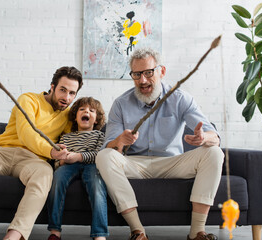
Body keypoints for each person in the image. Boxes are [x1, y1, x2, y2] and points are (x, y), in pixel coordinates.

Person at [95, 48, 224, 240]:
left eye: (148, 72)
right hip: (135, 164)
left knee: (215, 152)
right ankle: (138, 231)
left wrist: (204, 138)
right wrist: (119, 141)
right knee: (104, 156)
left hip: (172, 163)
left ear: (161, 72)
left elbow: (215, 136)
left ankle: (197, 232)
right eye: (137, 75)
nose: (143, 80)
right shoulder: (121, 104)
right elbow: (110, 148)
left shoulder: (180, 98)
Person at [0, 66, 83, 240]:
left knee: (45, 173)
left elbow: (69, 141)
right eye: (63, 90)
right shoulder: (28, 99)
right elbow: (26, 133)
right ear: (52, 87)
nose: (66, 98)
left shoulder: (67, 116)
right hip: (1, 154)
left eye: (72, 93)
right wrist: (50, 150)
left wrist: (66, 154)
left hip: (32, 161)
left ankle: (14, 236)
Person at [47, 97, 109, 240]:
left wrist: (79, 156)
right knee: (57, 179)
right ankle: (55, 232)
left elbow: (100, 155)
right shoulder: (66, 138)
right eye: (82, 109)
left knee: (97, 185)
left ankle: (99, 234)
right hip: (69, 165)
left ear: (96, 120)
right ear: (75, 117)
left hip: (92, 165)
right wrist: (61, 162)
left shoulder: (100, 136)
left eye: (91, 111)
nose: (86, 111)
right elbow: (57, 158)